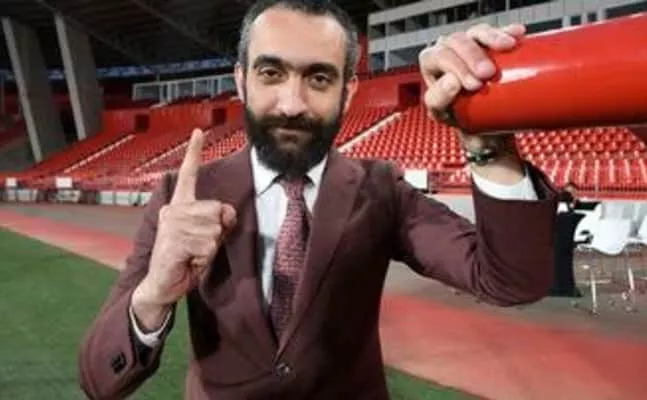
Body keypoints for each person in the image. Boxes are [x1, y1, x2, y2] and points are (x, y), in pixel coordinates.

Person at [78, 1, 559, 398]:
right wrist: (154, 293)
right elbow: (100, 380)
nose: (292, 104)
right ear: (241, 81)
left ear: (348, 92)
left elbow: (510, 281)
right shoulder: (180, 197)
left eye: (319, 79)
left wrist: (485, 137)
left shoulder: (381, 190)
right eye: (271, 73)